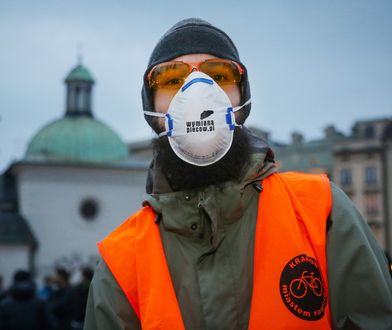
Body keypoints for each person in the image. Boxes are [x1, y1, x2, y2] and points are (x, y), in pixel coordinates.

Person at [84, 18, 392, 329]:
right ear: (151, 108)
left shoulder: (321, 211)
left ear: (242, 100)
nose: (197, 94)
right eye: (172, 80)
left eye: (219, 76)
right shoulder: (122, 261)